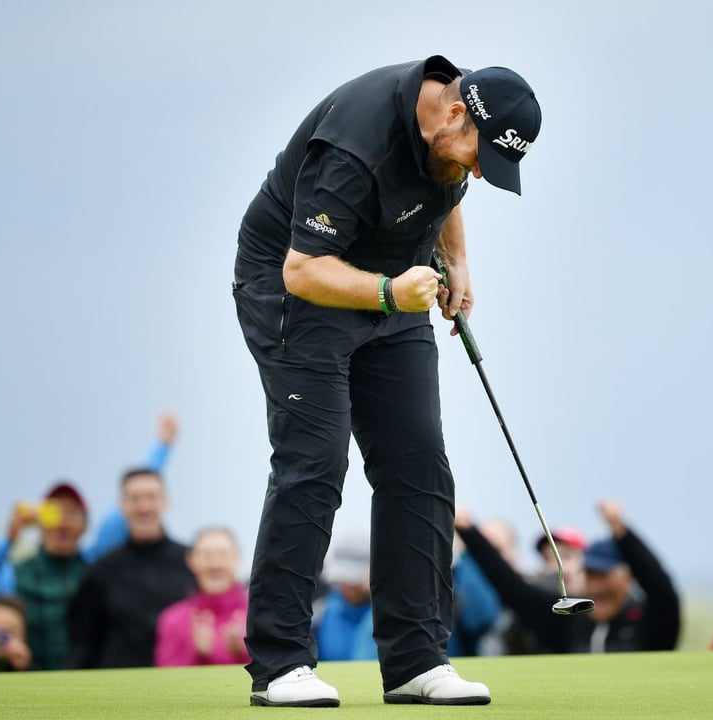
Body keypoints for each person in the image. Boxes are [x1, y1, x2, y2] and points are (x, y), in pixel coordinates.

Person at [232, 55, 541, 708]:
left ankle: (416, 661)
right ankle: (280, 662)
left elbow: (448, 185)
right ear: (455, 114)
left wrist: (455, 262)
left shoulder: (453, 136)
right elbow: (302, 268)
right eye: (483, 156)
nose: (483, 173)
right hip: (299, 287)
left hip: (391, 285)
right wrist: (388, 292)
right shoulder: (357, 145)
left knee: (419, 465)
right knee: (314, 462)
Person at [0, 411, 180, 610]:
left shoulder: (94, 566)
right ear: (40, 522)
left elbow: (132, 504)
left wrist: (161, 447)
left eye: (72, 514)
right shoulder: (17, 576)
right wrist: (8, 538)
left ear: (84, 525)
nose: (63, 522)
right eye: (54, 513)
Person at [456, 500, 682, 654]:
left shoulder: (650, 621)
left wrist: (623, 533)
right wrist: (469, 532)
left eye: (604, 575)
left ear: (629, 577)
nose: (596, 585)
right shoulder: (570, 620)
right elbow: (513, 588)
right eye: (590, 575)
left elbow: (662, 590)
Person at [66, 468, 192, 668]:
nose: (143, 507)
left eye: (151, 497)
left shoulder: (191, 562)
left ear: (165, 502)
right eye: (134, 499)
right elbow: (84, 641)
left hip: (183, 685)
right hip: (117, 686)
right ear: (122, 505)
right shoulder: (101, 571)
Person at [155, 527, 250, 667]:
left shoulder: (258, 615)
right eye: (206, 555)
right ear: (191, 560)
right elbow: (164, 679)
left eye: (223, 555)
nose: (215, 565)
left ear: (237, 558)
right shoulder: (171, 619)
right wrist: (199, 656)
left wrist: (243, 653)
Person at [312, 534, 378, 662]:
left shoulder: (397, 614)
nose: (346, 585)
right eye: (343, 579)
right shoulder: (318, 618)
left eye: (353, 580)